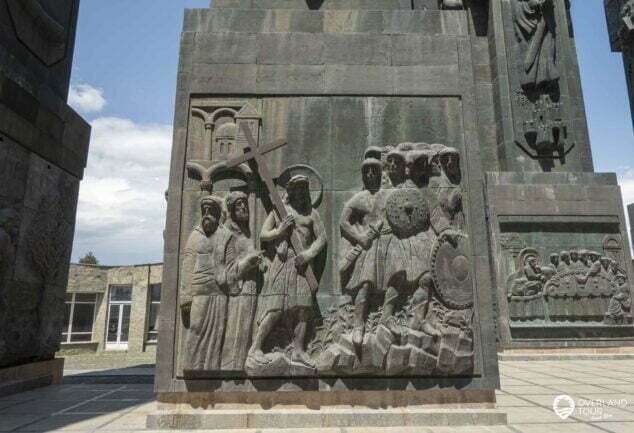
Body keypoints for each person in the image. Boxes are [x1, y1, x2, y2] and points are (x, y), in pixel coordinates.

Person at [249, 175, 327, 368]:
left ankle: (299, 350)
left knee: (304, 307)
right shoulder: (280, 211)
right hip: (283, 263)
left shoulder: (311, 214)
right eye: (297, 189)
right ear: (291, 192)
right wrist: (280, 231)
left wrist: (308, 255)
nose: (300, 193)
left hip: (302, 264)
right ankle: (255, 348)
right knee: (275, 307)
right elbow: (263, 235)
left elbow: (322, 238)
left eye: (304, 189)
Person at [180, 195, 235, 371]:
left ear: (218, 214)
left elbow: (231, 263)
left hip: (219, 291)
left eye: (211, 211)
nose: (207, 215)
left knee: (217, 331)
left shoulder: (225, 236)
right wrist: (185, 296)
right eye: (204, 211)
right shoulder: (195, 236)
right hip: (199, 290)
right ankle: (191, 365)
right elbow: (187, 265)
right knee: (196, 328)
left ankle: (210, 367)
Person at [339, 158, 384, 347]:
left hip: (389, 244)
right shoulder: (360, 198)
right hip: (368, 246)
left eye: (374, 170)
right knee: (365, 283)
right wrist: (360, 237)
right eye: (367, 171)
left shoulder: (387, 195)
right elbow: (343, 221)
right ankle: (358, 324)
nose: (371, 174)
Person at [221, 192, 263, 371]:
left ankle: (241, 365)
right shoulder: (226, 234)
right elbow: (225, 271)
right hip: (237, 290)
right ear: (231, 209)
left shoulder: (246, 232)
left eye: (245, 203)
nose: (244, 207)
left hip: (251, 286)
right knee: (236, 328)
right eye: (239, 204)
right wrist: (247, 262)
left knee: (246, 329)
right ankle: (231, 367)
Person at [512, 0, 559, 91]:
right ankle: (532, 76)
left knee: (546, 48)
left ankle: (545, 75)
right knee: (534, 49)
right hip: (532, 17)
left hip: (545, 18)